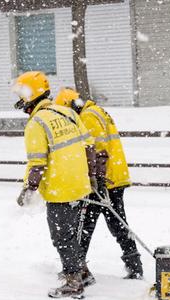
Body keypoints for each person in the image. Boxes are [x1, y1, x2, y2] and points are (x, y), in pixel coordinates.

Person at [12, 71, 97, 299]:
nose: (20, 100)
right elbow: (89, 146)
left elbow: (37, 164)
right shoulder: (68, 113)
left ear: (32, 94)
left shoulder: (36, 123)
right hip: (80, 186)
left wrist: (28, 191)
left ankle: (73, 282)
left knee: (61, 237)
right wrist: (92, 177)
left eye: (22, 94)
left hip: (61, 189)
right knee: (71, 235)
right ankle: (83, 273)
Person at [54, 87, 143, 280]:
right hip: (114, 177)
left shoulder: (87, 117)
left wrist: (98, 181)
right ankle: (133, 264)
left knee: (87, 224)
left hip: (105, 180)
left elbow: (98, 151)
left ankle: (77, 268)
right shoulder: (97, 110)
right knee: (114, 223)